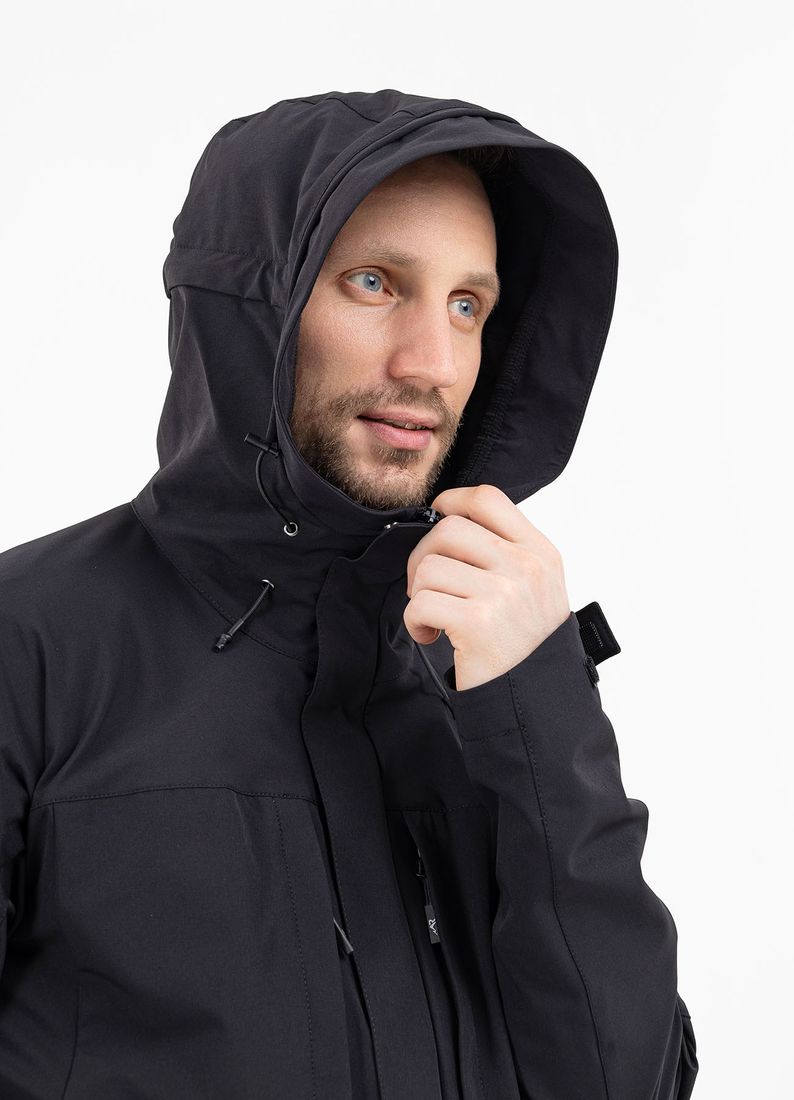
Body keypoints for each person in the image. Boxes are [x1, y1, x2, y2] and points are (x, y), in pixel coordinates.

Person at [0, 89, 699, 1098]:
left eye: (467, 305)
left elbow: (620, 1081)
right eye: (375, 283)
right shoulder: (30, 642)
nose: (434, 364)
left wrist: (542, 709)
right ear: (253, 307)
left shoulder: (491, 672)